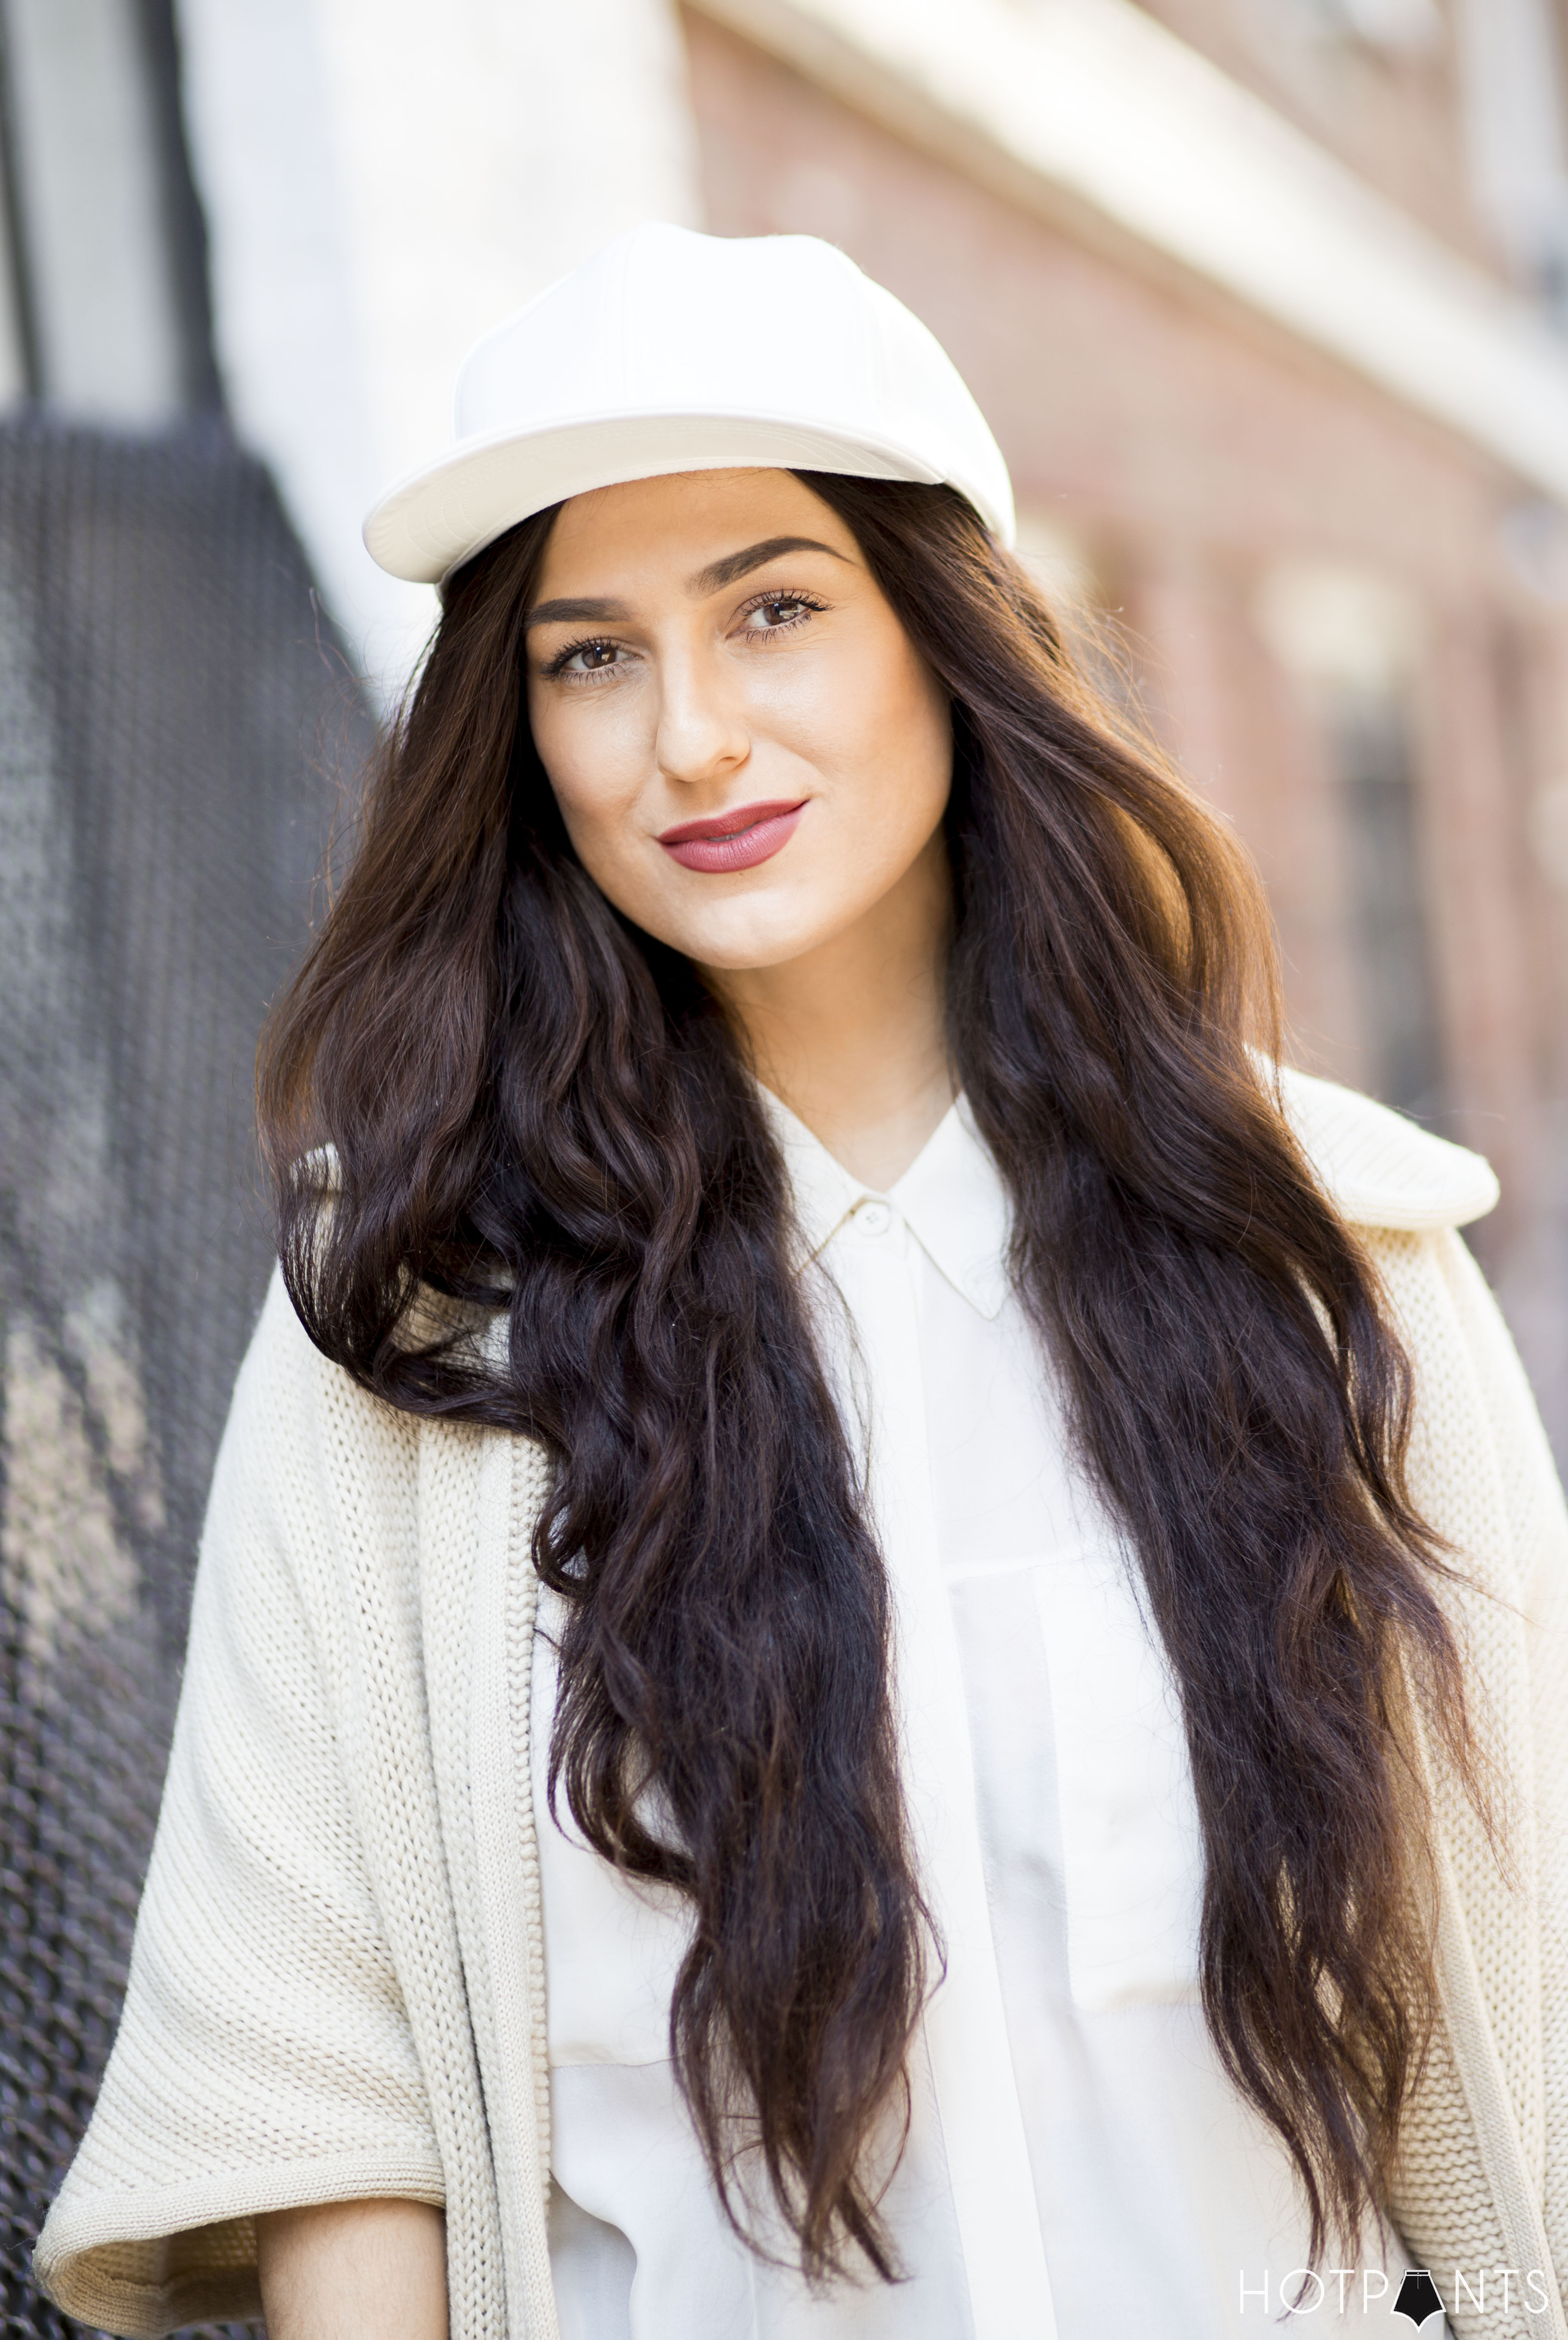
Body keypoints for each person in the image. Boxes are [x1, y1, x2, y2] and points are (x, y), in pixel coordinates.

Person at [32, 224, 1568, 2340]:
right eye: (590, 656)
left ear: (947, 642)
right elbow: (326, 2107)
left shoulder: (1340, 1248)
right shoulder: (408, 1335)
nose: (690, 739)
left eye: (774, 612)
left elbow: (1535, 1988)